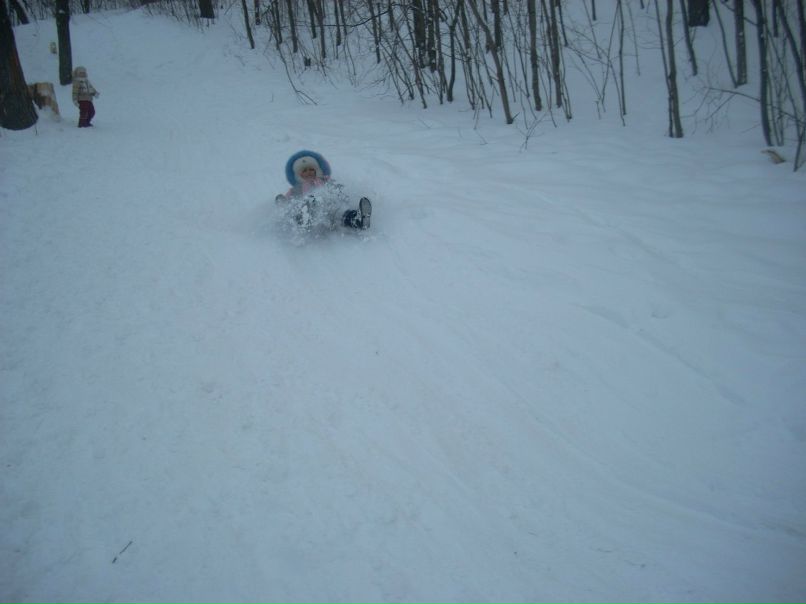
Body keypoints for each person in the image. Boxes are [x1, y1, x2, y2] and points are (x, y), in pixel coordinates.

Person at [276, 150, 372, 230]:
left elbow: (335, 188)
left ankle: (359, 220)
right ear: (300, 175)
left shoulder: (324, 180)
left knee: (341, 213)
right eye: (304, 170)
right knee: (305, 204)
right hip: (311, 212)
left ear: (315, 170)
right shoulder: (296, 188)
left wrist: (339, 192)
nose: (308, 172)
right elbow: (287, 202)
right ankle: (303, 220)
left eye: (311, 169)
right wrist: (282, 201)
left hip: (329, 210)